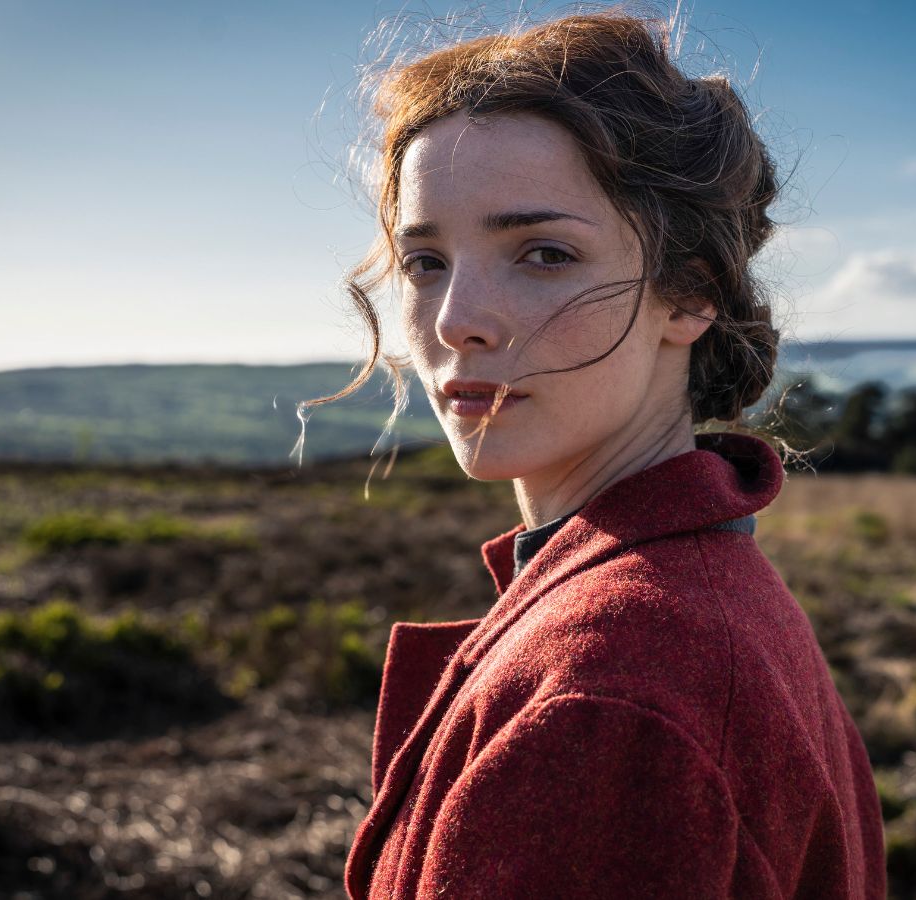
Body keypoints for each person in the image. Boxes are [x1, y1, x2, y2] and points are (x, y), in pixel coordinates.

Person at [307, 9, 885, 898]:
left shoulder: (609, 695)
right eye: (425, 261)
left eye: (543, 253)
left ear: (689, 293)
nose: (457, 318)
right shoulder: (701, 591)